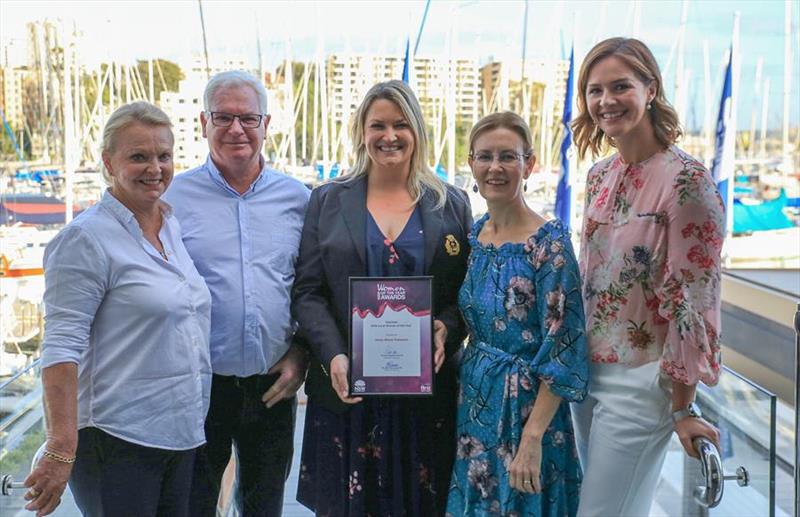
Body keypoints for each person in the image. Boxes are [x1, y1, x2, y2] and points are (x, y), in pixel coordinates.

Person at [292, 80, 472, 516]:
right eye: (378, 126)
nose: (389, 136)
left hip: (424, 400)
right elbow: (308, 292)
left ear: (417, 132)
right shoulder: (327, 200)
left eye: (400, 124)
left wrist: (447, 327)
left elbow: (466, 294)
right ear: (361, 132)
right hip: (346, 392)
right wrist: (333, 355)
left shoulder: (452, 204)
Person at [26, 101, 212, 517]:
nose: (155, 168)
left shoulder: (169, 225)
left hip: (181, 432)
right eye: (138, 156)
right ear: (109, 162)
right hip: (118, 439)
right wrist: (59, 447)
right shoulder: (86, 239)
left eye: (164, 156)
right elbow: (60, 348)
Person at [570, 37, 724, 517]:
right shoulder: (600, 175)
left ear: (650, 88)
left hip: (643, 380)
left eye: (620, 86)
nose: (606, 101)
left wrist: (682, 406)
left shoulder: (687, 182)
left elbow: (693, 301)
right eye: (595, 91)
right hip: (585, 372)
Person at [163, 70, 310, 516]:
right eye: (223, 117)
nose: (236, 129)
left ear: (267, 124)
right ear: (203, 122)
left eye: (248, 118)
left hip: (273, 385)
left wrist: (302, 352)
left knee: (264, 504)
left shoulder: (298, 198)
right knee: (194, 503)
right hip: (198, 385)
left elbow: (310, 285)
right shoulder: (171, 197)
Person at [445, 112, 588, 516]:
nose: (495, 167)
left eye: (508, 156)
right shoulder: (475, 237)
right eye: (485, 156)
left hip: (529, 412)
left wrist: (533, 436)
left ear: (530, 164)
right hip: (475, 403)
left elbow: (565, 348)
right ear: (471, 163)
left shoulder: (549, 245)